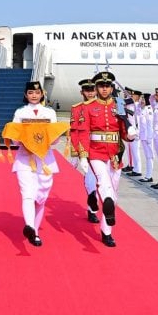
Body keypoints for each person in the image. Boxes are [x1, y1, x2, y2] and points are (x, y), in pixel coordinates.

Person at [75, 71, 137, 247]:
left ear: (111, 87)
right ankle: (107, 206)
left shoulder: (119, 105)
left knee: (113, 193)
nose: (104, 89)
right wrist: (82, 155)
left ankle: (106, 230)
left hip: (115, 154)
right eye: (101, 86)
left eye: (108, 86)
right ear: (96, 87)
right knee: (104, 183)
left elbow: (123, 131)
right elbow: (84, 132)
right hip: (96, 153)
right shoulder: (88, 107)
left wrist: (130, 135)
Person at [9, 81, 61, 247]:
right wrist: (20, 141)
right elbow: (14, 137)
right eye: (30, 92)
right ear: (26, 95)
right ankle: (30, 227)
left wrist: (55, 138)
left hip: (45, 160)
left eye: (37, 93)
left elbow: (55, 139)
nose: (33, 95)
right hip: (25, 158)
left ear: (42, 94)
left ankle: (35, 230)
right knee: (27, 194)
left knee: (41, 198)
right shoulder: (20, 112)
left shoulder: (50, 113)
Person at [69, 78, 99, 223]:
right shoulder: (76, 108)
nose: (90, 93)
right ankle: (92, 208)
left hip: (102, 147)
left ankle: (96, 204)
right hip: (85, 148)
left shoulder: (104, 106)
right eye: (87, 90)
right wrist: (76, 153)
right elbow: (74, 131)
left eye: (92, 90)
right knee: (91, 179)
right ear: (82, 92)